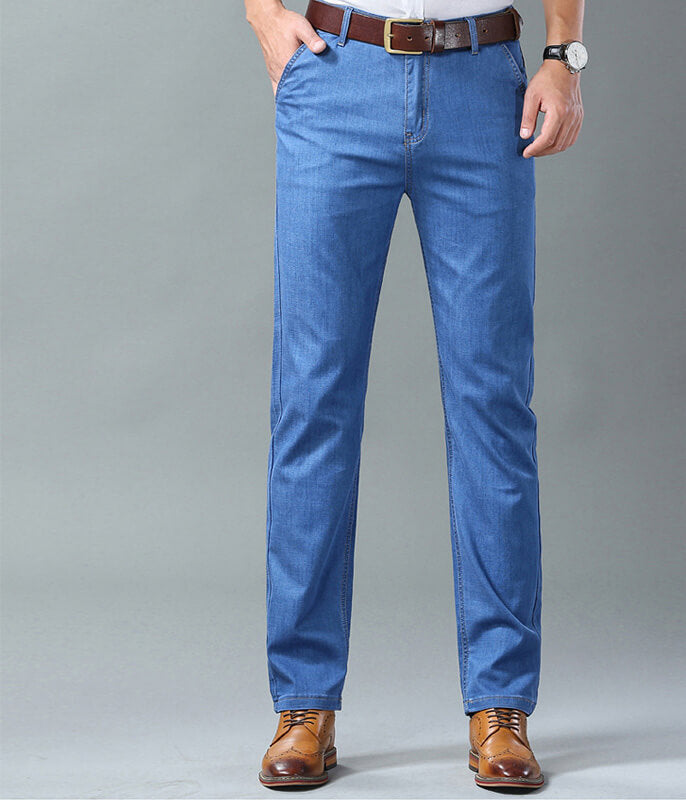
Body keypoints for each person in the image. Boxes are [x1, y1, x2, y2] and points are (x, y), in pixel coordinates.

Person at [245, 0, 586, 789]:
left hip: (482, 84)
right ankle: (303, 704)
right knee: (312, 402)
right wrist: (261, 11)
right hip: (337, 74)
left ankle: (501, 706)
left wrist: (564, 56)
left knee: (493, 405)